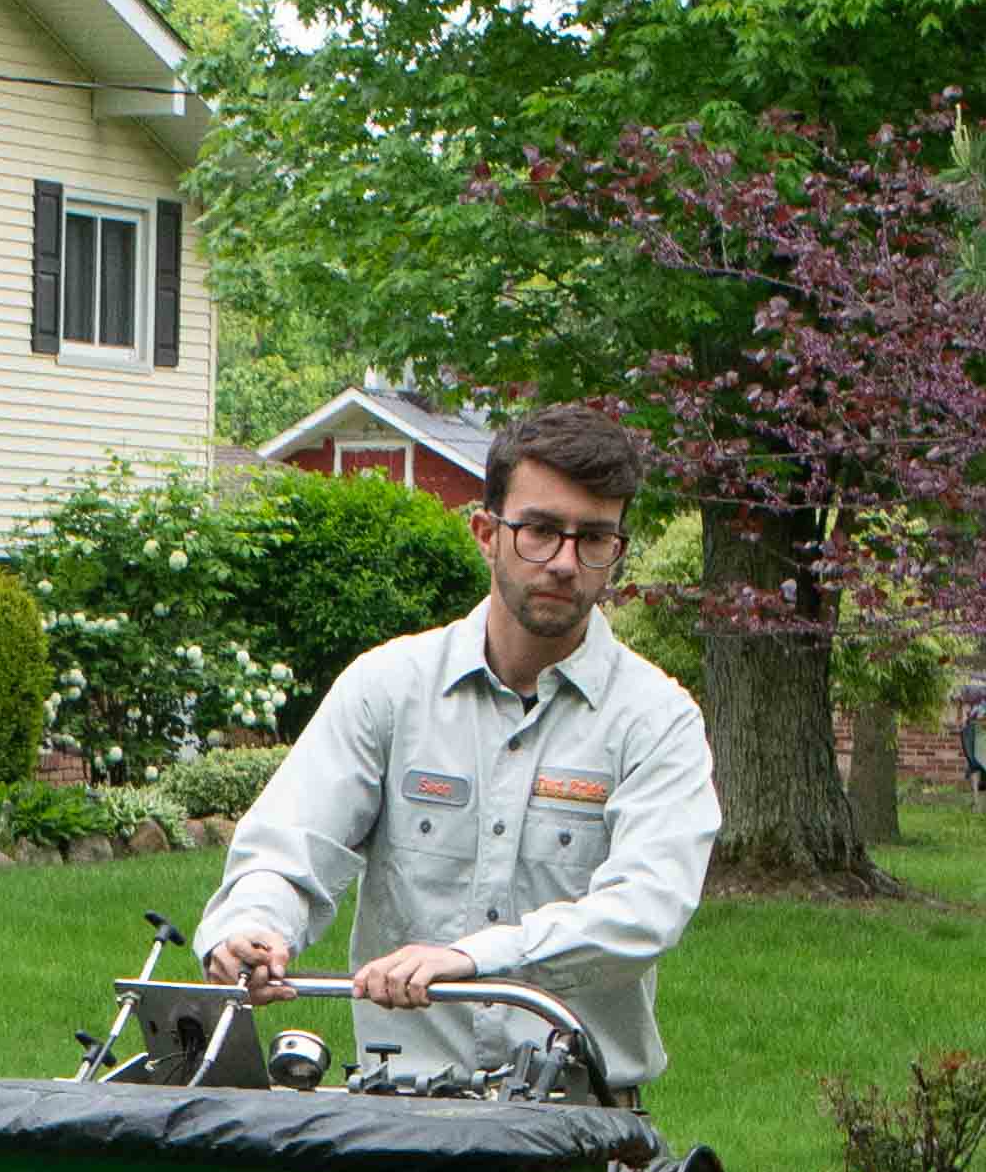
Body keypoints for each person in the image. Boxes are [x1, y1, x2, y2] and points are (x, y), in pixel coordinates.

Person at [195, 404, 717, 1101]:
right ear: (485, 533)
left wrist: (471, 958)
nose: (565, 562)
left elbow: (645, 909)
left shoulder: (658, 721)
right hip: (397, 1115)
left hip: (582, 1124)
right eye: (539, 531)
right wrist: (250, 930)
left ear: (616, 552)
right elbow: (289, 849)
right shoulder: (388, 688)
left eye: (593, 538)